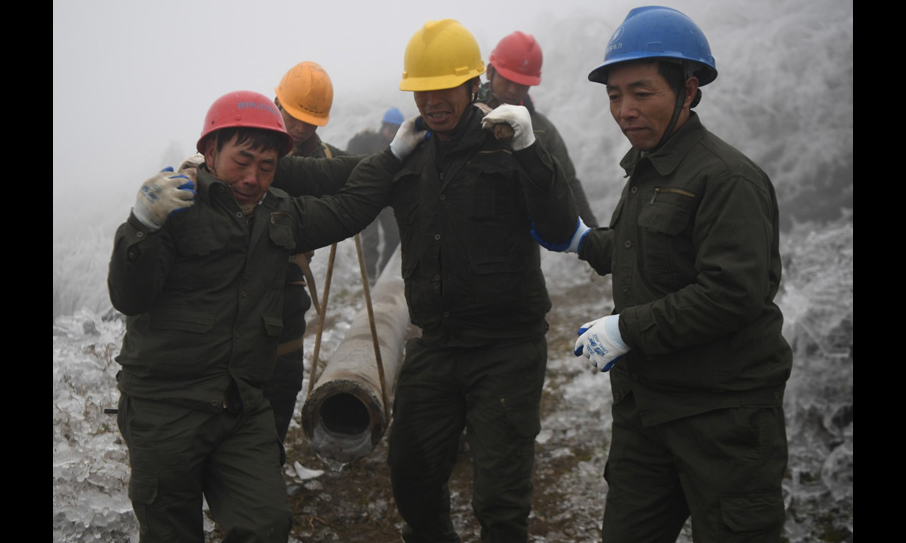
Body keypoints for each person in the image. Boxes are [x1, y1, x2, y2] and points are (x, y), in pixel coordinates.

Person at [271, 19, 579, 542]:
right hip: (436, 345)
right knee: (411, 475)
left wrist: (530, 153)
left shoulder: (509, 145)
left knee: (500, 504)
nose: (433, 102)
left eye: (444, 90)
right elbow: (328, 177)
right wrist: (246, 165)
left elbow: (557, 226)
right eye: (422, 92)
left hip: (506, 347)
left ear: (472, 83)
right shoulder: (409, 153)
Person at [548, 7, 792, 541]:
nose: (625, 110)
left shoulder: (728, 178)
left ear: (689, 90)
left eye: (642, 93)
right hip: (647, 413)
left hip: (723, 417)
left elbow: (732, 292)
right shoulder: (647, 169)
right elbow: (649, 249)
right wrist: (587, 242)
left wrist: (625, 330)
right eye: (614, 95)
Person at [108, 90, 361, 542]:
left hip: (239, 407)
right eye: (241, 161)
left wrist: (399, 156)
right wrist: (141, 226)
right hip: (165, 407)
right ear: (209, 151)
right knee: (171, 531)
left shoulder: (278, 212)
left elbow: (347, 209)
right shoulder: (175, 209)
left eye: (266, 167)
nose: (253, 178)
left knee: (266, 525)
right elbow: (130, 297)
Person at [268, 61, 346, 443]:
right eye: (293, 118)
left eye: (308, 121)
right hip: (234, 292)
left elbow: (366, 176)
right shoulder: (250, 148)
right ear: (276, 104)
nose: (298, 129)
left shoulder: (328, 162)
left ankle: (268, 466)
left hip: (288, 293)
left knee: (282, 388)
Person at [478, 31, 599, 227]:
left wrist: (593, 237)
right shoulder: (465, 115)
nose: (513, 90)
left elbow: (569, 184)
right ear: (490, 72)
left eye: (522, 85)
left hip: (518, 249)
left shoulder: (542, 130)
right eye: (507, 80)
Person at [346, 107, 403, 281]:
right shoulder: (368, 140)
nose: (392, 134)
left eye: (396, 131)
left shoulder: (400, 147)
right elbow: (348, 156)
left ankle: (383, 272)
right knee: (370, 238)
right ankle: (369, 275)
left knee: (394, 235)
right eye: (390, 130)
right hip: (366, 198)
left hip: (387, 199)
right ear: (383, 127)